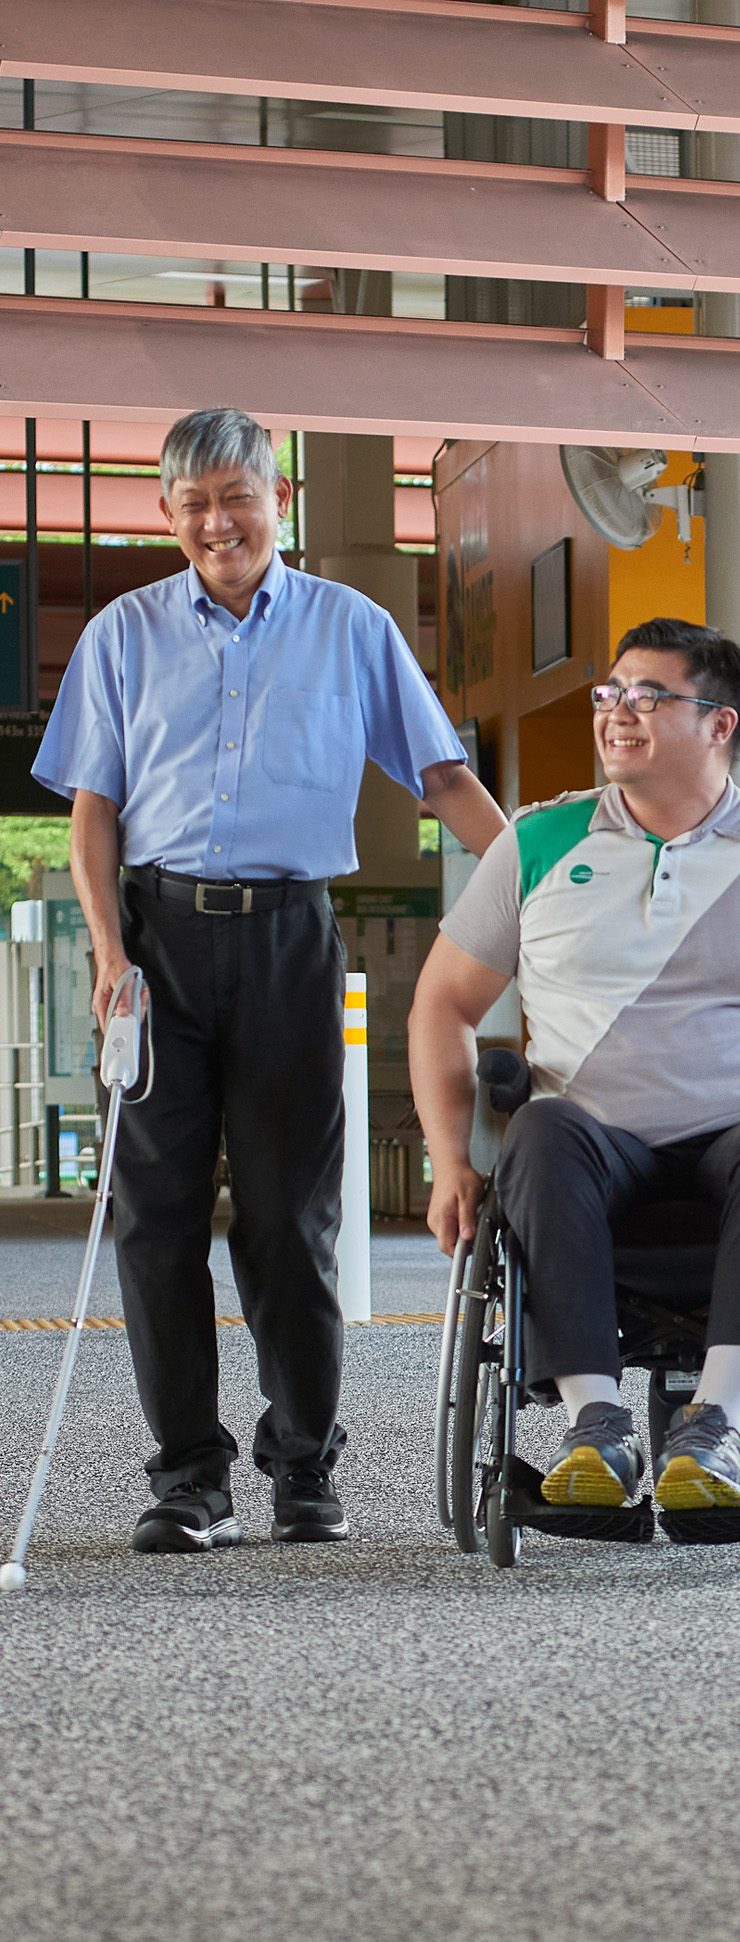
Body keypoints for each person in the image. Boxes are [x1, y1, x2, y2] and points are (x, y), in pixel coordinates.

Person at [33, 406, 504, 1556]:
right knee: (155, 1220)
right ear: (167, 514)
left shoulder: (351, 628)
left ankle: (303, 1467)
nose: (214, 522)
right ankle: (187, 1477)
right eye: (190, 503)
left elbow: (441, 779)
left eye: (234, 496)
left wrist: (539, 891)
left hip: (291, 939)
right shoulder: (121, 634)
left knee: (292, 1220)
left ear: (276, 499)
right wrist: (107, 952)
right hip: (155, 942)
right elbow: (93, 812)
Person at [409, 614, 740, 1518]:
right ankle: (599, 1426)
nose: (617, 712)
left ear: (719, 723)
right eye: (610, 693)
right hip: (592, 1142)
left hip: (729, 1136)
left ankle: (715, 1427)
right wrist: (449, 1162)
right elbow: (444, 1004)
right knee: (541, 1127)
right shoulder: (539, 842)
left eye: (649, 695)